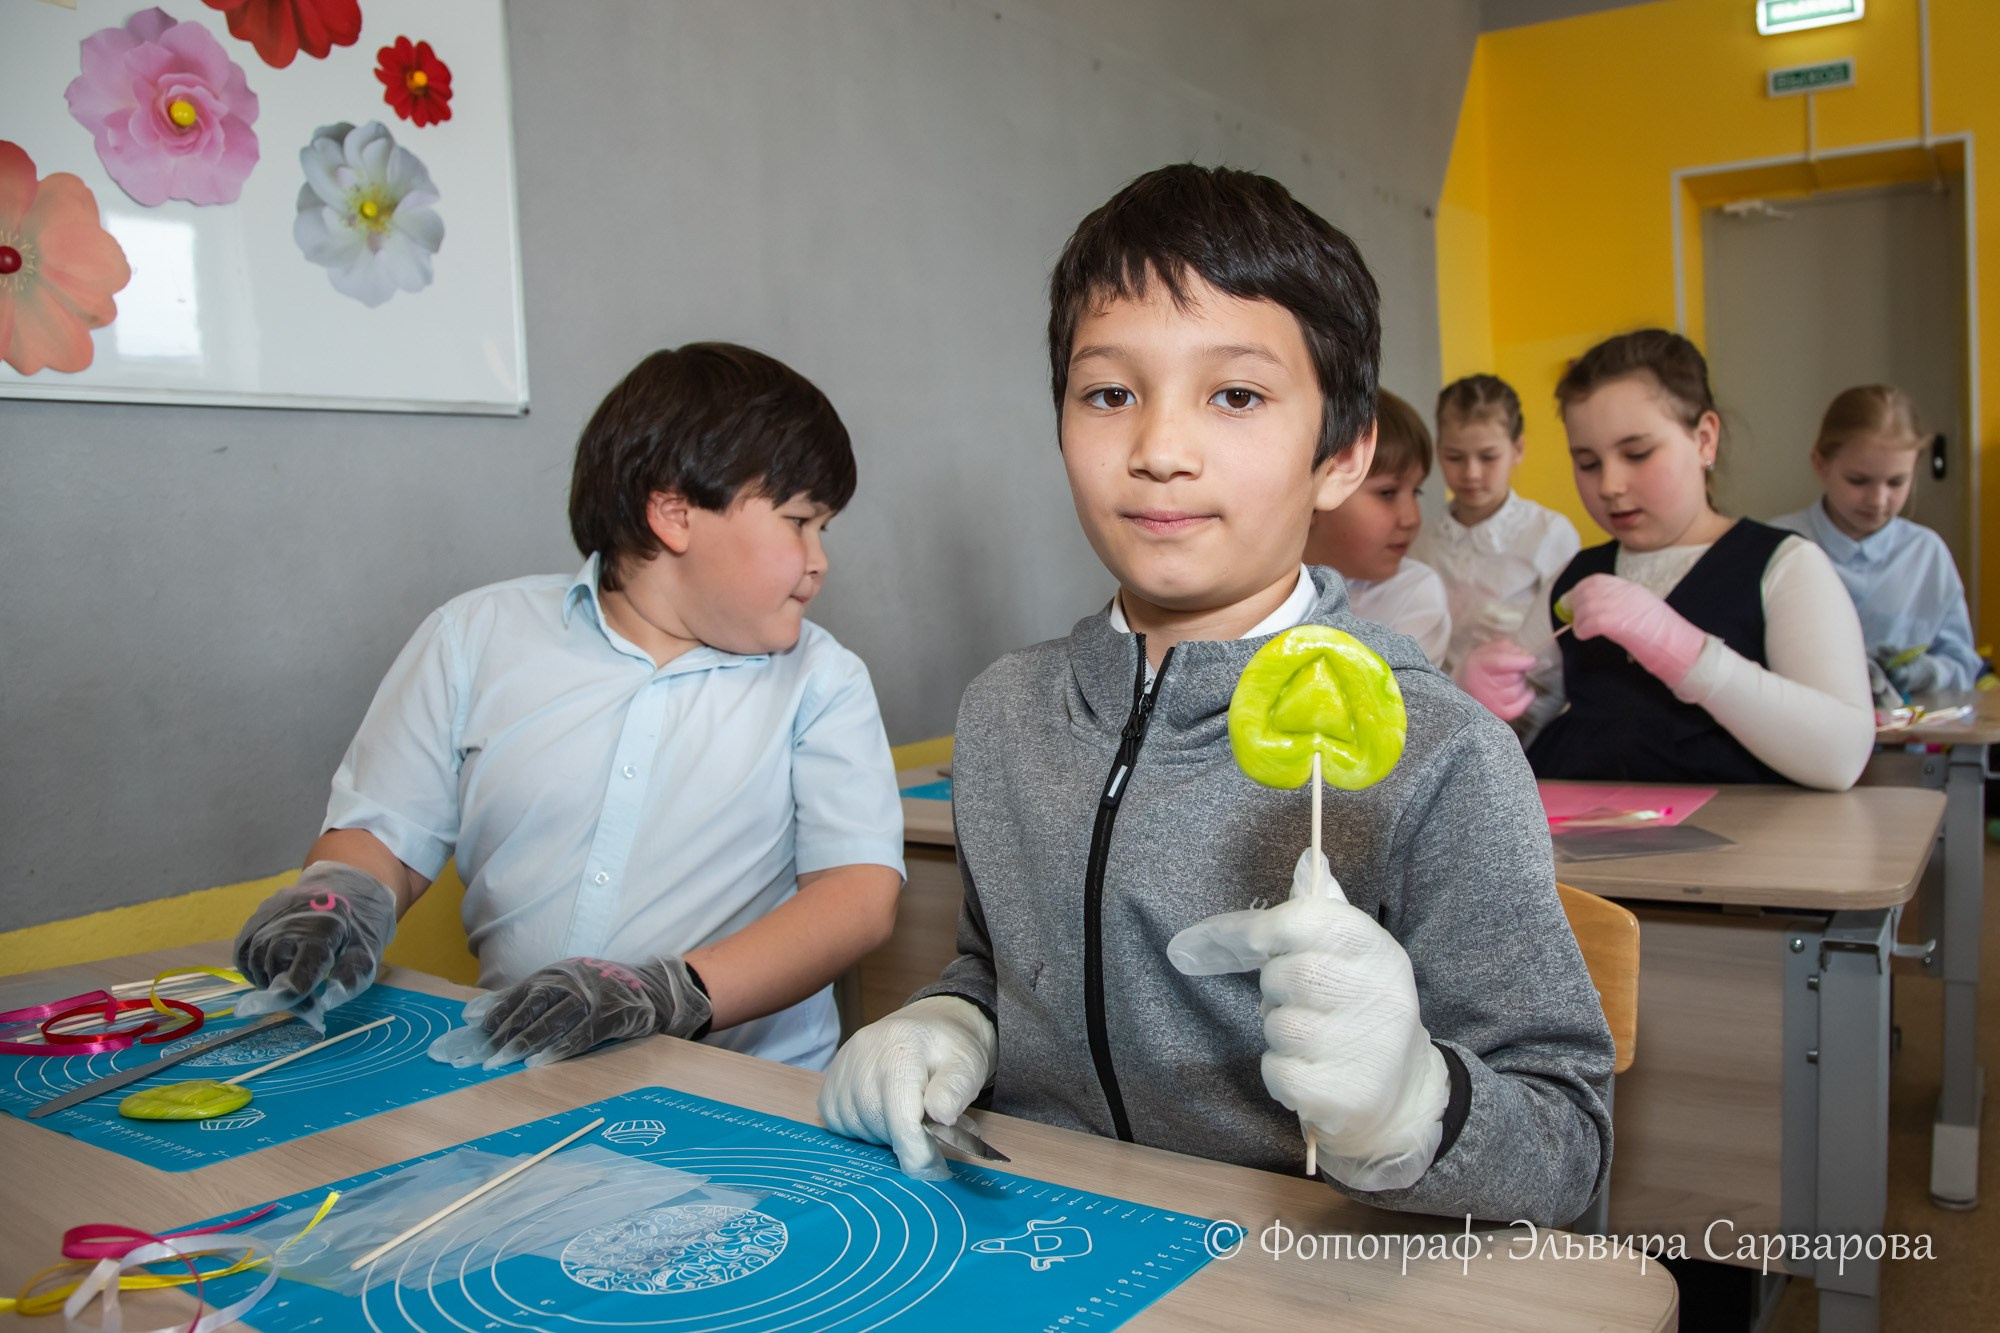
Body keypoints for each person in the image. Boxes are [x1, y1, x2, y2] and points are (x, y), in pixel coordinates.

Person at [819, 164, 1612, 1228]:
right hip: (1050, 1239)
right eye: (1109, 393)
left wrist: (1413, 1107)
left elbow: (1565, 1147)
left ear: (1339, 453)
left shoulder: (1440, 754)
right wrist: (952, 1022)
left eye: (1233, 395)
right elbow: (1006, 965)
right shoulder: (1005, 714)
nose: (1157, 450)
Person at [228, 343, 906, 1072]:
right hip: (518, 1069)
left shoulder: (821, 680)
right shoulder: (476, 636)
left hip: (743, 1088)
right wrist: (336, 899)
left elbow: (857, 895)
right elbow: (384, 834)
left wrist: (673, 991)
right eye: (800, 521)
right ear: (675, 514)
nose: (819, 558)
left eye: (824, 530)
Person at [1457, 329, 1875, 789]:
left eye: (1637, 453)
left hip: (1747, 852)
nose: (1610, 485)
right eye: (1588, 463)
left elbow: (1841, 757)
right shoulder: (1575, 578)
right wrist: (1476, 707)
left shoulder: (1786, 566)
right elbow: (1515, 745)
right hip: (1588, 850)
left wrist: (1685, 653)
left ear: (1704, 440)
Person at [1770, 385, 1982, 697]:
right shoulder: (1777, 544)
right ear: (1820, 464)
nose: (1878, 500)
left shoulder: (1927, 555)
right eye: (1858, 481)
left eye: (1896, 482)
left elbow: (1962, 663)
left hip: (1909, 740)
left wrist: (1926, 672)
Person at [1412, 374, 1580, 675]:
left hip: (1530, 703)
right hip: (1451, 698)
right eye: (1455, 457)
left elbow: (1569, 638)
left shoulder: (1549, 533)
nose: (1471, 473)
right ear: (1439, 451)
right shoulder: (1422, 544)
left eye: (1488, 457)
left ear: (1517, 449)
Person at [1302, 389, 1452, 666]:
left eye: (1416, 492)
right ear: (1315, 488)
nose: (1411, 519)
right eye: (1387, 493)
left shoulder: (1414, 592)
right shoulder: (1254, 586)